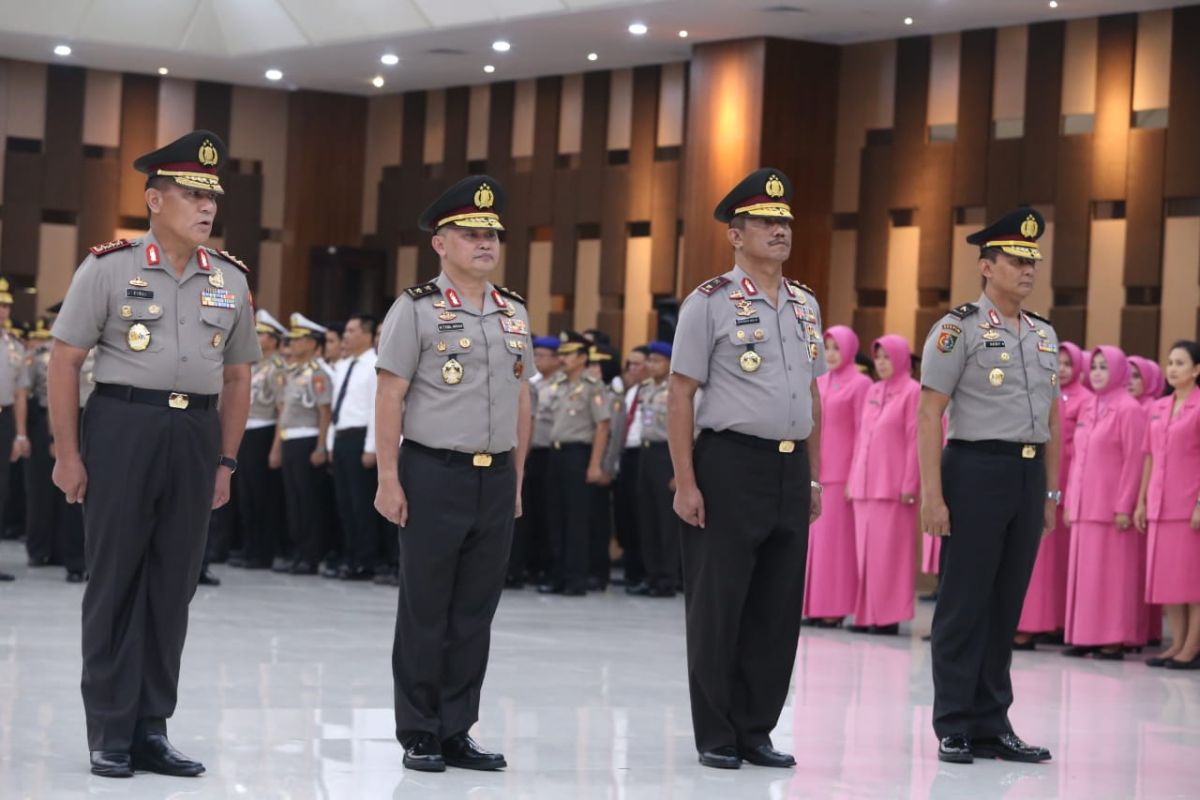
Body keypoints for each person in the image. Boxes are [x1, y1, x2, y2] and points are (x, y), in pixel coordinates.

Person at [48, 129, 259, 778]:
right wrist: (68, 453)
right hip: (122, 427)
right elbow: (65, 359)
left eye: (211, 197)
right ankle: (109, 730)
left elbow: (239, 376)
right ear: (154, 199)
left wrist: (225, 461)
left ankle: (151, 728)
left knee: (173, 584)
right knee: (116, 581)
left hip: (194, 436)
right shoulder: (108, 268)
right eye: (192, 194)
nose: (206, 208)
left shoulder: (230, 280)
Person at [374, 174, 532, 773]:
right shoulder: (414, 308)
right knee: (426, 607)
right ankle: (418, 729)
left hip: (495, 477)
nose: (486, 243)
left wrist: (518, 477)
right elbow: (390, 396)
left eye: (492, 233)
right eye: (471, 233)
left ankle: (457, 728)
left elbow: (521, 399)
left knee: (474, 611)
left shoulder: (513, 311)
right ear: (441, 243)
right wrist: (389, 478)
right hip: (432, 471)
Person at [668, 168, 824, 770]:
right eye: (765, 223)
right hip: (729, 464)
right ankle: (716, 732)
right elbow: (681, 394)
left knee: (777, 606)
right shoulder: (708, 302)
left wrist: (814, 474)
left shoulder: (806, 303)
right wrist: (685, 480)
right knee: (719, 602)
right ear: (736, 234)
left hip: (790, 468)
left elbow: (812, 397)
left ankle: (757, 727)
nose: (779, 232)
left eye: (784, 222)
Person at [918, 207, 1058, 764]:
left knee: (1004, 605)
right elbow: (930, 414)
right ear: (986, 266)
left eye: (1032, 261)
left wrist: (1051, 492)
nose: (1027, 270)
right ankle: (954, 722)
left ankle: (992, 722)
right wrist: (933, 496)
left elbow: (1055, 420)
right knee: (963, 601)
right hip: (974, 471)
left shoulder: (1043, 334)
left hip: (1026, 476)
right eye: (1016, 260)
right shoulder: (957, 330)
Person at [1062, 346, 1148, 660]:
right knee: (1086, 577)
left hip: (1112, 511)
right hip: (1085, 508)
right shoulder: (1089, 407)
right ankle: (1085, 636)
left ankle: (1113, 639)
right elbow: (1077, 460)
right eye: (1094, 367)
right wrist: (1070, 501)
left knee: (1112, 578)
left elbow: (1134, 461)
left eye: (1104, 367)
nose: (1097, 372)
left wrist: (1124, 505)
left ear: (1118, 371)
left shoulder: (1129, 409)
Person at [1014, 341, 1089, 649]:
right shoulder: (1042, 392)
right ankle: (1031, 623)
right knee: (1039, 563)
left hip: (1066, 489)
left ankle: (1054, 624)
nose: (1061, 368)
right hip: (1041, 483)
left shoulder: (1085, 399)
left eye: (1068, 363)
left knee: (1059, 565)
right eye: (1056, 362)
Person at [847, 335, 920, 635]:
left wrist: (909, 483)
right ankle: (866, 616)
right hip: (864, 486)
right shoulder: (874, 390)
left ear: (902, 359)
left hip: (892, 489)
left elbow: (916, 439)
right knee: (865, 554)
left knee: (889, 556)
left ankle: (888, 617)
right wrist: (853, 479)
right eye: (878, 357)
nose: (881, 363)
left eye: (888, 357)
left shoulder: (913, 391)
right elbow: (861, 437)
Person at [1135, 340, 1200, 669]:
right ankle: (1176, 644)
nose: (1172, 368)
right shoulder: (1159, 407)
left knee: (1193, 582)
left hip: (1189, 506)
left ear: (1197, 370)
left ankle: (1192, 647)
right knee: (1170, 581)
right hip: (1161, 504)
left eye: (1180, 362)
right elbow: (1149, 456)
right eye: (1170, 362)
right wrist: (1141, 500)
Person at [803, 325, 870, 626]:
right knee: (813, 546)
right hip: (818, 473)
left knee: (835, 547)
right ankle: (814, 607)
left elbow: (863, 434)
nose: (830, 354)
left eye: (836, 348)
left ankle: (834, 609)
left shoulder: (861, 384)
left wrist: (856, 476)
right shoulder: (819, 380)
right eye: (826, 347)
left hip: (843, 477)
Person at [539, 332, 610, 596]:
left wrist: (595, 464)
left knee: (576, 520)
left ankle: (576, 577)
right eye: (562, 354)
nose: (562, 359)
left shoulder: (593, 386)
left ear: (582, 358)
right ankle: (558, 574)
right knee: (555, 517)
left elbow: (602, 426)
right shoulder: (557, 384)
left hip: (578, 454)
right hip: (555, 454)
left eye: (568, 354)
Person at [272, 314, 333, 575]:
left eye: (299, 340)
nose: (293, 344)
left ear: (311, 343)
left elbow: (325, 411)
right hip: (290, 439)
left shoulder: (317, 374)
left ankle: (310, 555)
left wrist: (321, 446)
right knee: (294, 500)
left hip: (307, 438)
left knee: (309, 501)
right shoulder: (292, 371)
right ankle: (298, 552)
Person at [228, 309, 288, 570]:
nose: (256, 337)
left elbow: (281, 410)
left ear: (274, 340)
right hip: (247, 431)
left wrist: (276, 446)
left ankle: (262, 551)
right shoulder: (256, 365)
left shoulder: (277, 368)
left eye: (262, 334)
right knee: (246, 494)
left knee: (262, 495)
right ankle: (249, 546)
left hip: (264, 431)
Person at [329, 314, 381, 580]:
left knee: (361, 504)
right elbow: (337, 407)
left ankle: (365, 560)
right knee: (345, 503)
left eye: (351, 331)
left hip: (360, 438)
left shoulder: (375, 365)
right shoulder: (344, 364)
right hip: (341, 436)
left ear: (367, 335)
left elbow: (376, 409)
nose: (346, 335)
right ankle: (349, 556)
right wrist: (330, 441)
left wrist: (371, 447)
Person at [508, 335, 560, 587]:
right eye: (535, 355)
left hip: (541, 454)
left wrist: (521, 461)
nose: (536, 360)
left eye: (541, 356)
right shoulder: (532, 383)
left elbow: (528, 424)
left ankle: (534, 566)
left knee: (540, 515)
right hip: (526, 454)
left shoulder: (537, 385)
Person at [1126, 354, 1166, 645]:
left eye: (1137, 376)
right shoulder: (1143, 409)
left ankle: (1148, 630)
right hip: (1151, 498)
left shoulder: (1149, 409)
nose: (1131, 381)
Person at [634, 341, 679, 597]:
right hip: (647, 451)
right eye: (649, 360)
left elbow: (690, 431)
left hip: (667, 453)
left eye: (657, 361)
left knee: (666, 520)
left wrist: (679, 471)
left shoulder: (678, 388)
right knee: (648, 516)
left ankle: (667, 577)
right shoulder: (646, 388)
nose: (652, 365)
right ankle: (651, 575)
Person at [0, 278, 31, 580]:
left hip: (5, 418)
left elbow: (21, 392)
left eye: (7, 305)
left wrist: (20, 434)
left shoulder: (14, 346)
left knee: (2, 490)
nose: (3, 310)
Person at [612, 345, 650, 590]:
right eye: (629, 364)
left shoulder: (657, 391)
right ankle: (632, 569)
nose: (632, 369)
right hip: (627, 456)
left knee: (643, 515)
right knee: (625, 514)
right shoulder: (630, 392)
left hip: (645, 455)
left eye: (637, 364)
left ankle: (649, 572)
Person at [24, 319, 55, 568]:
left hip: (79, 419)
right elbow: (27, 392)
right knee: (40, 489)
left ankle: (64, 550)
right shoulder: (39, 354)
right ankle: (38, 547)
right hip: (44, 420)